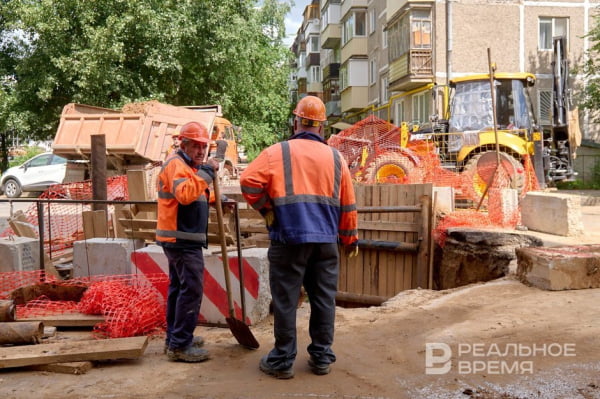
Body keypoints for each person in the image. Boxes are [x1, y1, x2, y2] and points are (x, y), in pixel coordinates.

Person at [240, 96, 359, 379]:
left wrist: (266, 208)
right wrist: (350, 238)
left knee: (285, 302)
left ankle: (282, 361)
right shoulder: (336, 157)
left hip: (288, 239)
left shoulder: (277, 153)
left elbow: (248, 181)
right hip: (325, 243)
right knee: (323, 301)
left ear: (296, 121)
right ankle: (321, 359)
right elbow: (348, 203)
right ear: (321, 126)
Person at [156, 121, 219, 363]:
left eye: (204, 148)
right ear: (184, 144)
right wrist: (207, 173)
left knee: (179, 289)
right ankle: (180, 345)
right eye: (196, 146)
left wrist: (213, 196)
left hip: (181, 239)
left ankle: (175, 338)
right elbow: (185, 195)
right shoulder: (176, 164)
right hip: (180, 240)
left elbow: (195, 194)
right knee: (190, 290)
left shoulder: (189, 166)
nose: (201, 152)